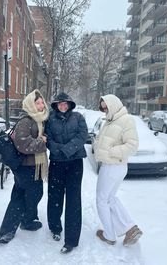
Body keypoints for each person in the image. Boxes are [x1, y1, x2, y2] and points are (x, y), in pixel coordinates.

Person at [0, 89, 49, 244]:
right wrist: (42, 142)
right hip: (25, 167)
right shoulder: (25, 121)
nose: (41, 106)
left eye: (41, 103)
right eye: (37, 103)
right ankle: (7, 231)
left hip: (36, 165)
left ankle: (27, 220)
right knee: (21, 198)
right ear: (30, 105)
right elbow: (23, 145)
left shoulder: (40, 120)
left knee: (32, 193)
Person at [94, 94, 143, 246]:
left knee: (101, 200)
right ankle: (130, 229)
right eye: (103, 108)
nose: (104, 110)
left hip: (113, 165)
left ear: (113, 104)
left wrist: (110, 152)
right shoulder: (110, 120)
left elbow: (132, 145)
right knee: (110, 198)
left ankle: (109, 235)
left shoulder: (126, 119)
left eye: (106, 107)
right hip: (113, 166)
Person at [45, 92, 88, 254]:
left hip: (75, 163)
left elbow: (82, 135)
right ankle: (55, 227)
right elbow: (48, 139)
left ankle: (71, 240)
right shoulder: (51, 119)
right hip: (57, 163)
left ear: (70, 105)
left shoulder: (78, 117)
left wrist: (67, 150)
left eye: (65, 104)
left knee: (73, 200)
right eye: (59, 104)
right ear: (56, 106)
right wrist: (59, 151)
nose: (62, 106)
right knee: (54, 196)